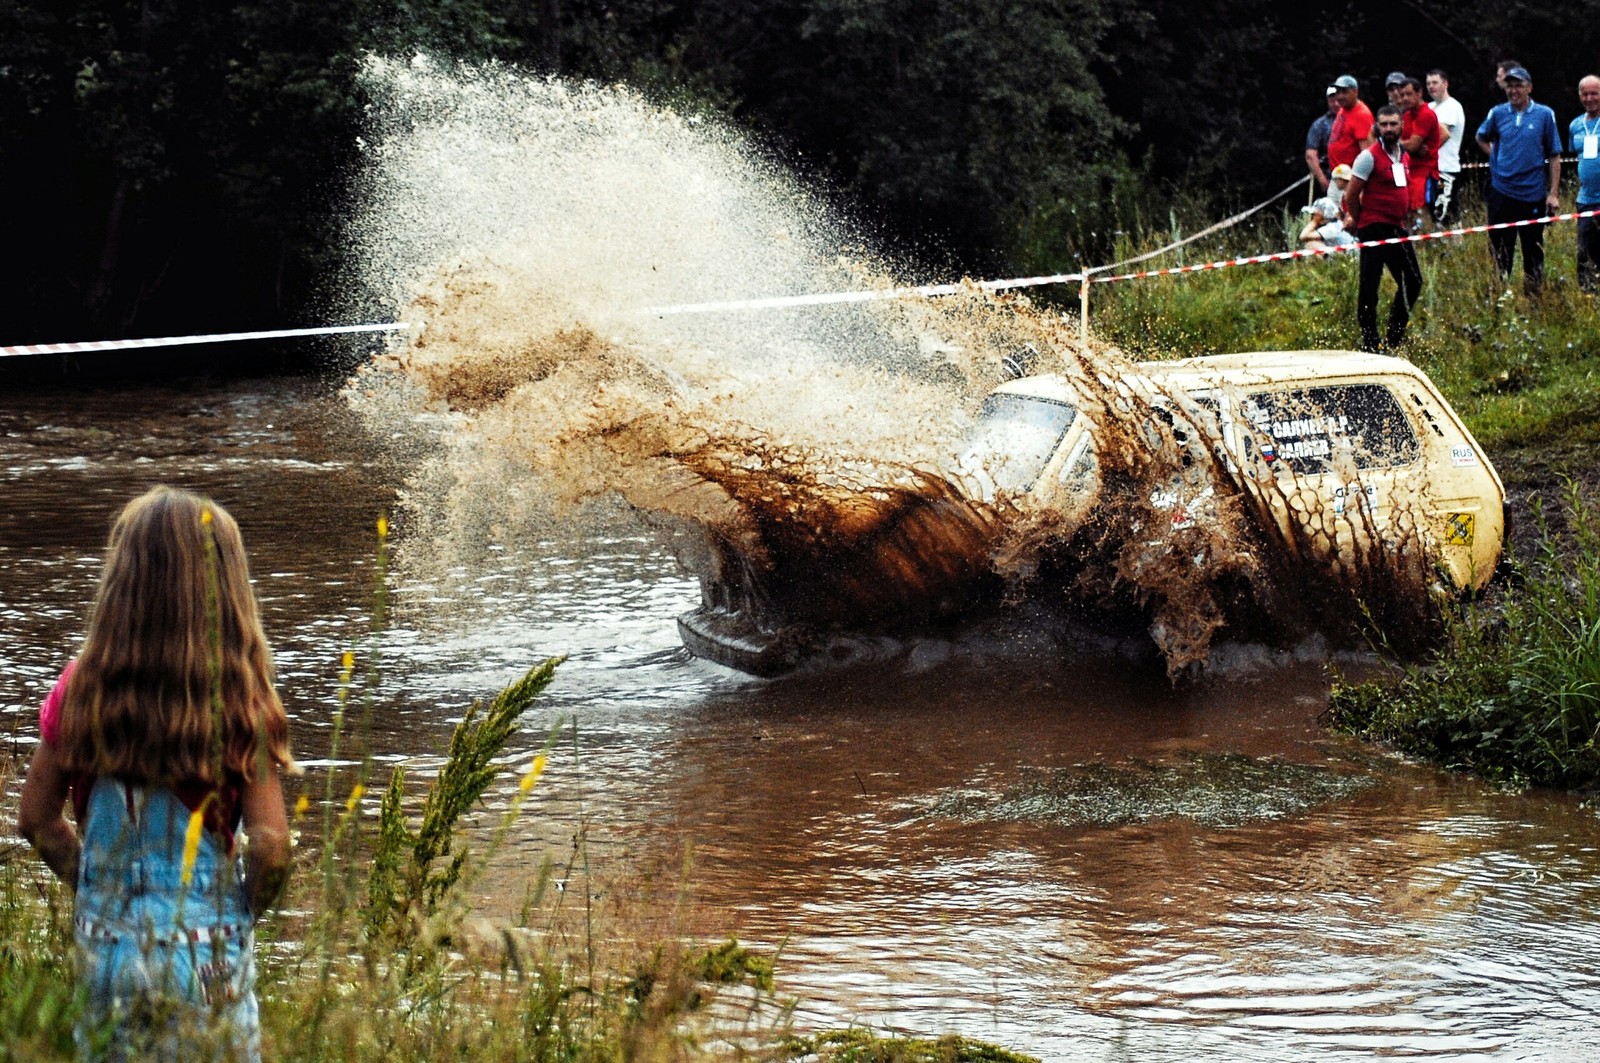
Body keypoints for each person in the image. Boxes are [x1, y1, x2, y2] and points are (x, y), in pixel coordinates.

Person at [17, 486, 295, 1061]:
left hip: (108, 950)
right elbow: (271, 847)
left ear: (122, 587)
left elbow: (36, 820)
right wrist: (240, 913)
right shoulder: (241, 700)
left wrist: (91, 887)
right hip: (206, 952)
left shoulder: (79, 691)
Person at [1475, 65, 1562, 297]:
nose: (1514, 90)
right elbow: (1481, 136)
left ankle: (1533, 300)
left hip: (1532, 192)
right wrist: (1495, 156)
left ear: (1529, 88)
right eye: (1510, 85)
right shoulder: (1498, 112)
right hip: (1501, 191)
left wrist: (1553, 193)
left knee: (1533, 249)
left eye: (1519, 85)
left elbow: (1554, 154)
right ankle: (1498, 299)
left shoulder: (1544, 114)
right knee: (1500, 250)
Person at [1343, 106, 1424, 351]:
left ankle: (1394, 338)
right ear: (1377, 127)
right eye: (1384, 124)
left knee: (1413, 281)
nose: (1388, 129)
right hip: (1374, 227)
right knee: (1370, 284)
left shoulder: (1403, 156)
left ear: (1401, 126)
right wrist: (1359, 223)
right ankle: (1370, 342)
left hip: (1396, 227)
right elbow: (1351, 194)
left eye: (1393, 124)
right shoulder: (1369, 157)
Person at [1399, 77, 1442, 231]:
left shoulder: (1426, 114)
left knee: (1422, 214)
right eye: (1402, 95)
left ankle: (1428, 248)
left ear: (1419, 93)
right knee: (1409, 213)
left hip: (1425, 173)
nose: (1405, 98)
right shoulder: (1406, 116)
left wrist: (1403, 144)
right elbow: (1405, 144)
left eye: (1409, 94)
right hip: (1410, 172)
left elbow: (1412, 145)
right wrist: (1406, 144)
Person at [1427, 68, 1467, 226]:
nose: (1431, 86)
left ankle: (1456, 248)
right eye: (1428, 83)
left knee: (1446, 212)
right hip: (1431, 169)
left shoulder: (1452, 106)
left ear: (1445, 84)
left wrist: (1421, 150)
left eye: (1435, 82)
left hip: (1446, 169)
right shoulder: (1430, 107)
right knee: (1432, 213)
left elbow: (1441, 135)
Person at [1572, 75, 1600, 292]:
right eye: (1585, 94)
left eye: (1594, 93)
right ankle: (1587, 296)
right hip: (1586, 200)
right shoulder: (1575, 125)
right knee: (1585, 253)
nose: (1589, 98)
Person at [1300, 164, 1356, 249]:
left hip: (1351, 255)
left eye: (1315, 215)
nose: (1312, 217)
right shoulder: (1338, 196)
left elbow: (1303, 236)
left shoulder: (1332, 228)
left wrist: (1315, 221)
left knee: (1311, 244)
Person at [1328, 75, 1376, 171]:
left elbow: (1367, 154)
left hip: (1350, 177)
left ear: (1355, 92)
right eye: (1338, 92)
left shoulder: (1362, 115)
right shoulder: (1344, 108)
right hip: (1338, 174)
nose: (1340, 96)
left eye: (1345, 92)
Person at [1306, 86, 1339, 192]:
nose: (1336, 104)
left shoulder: (1357, 119)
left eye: (1338, 100)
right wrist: (1321, 179)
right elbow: (1311, 155)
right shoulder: (1319, 125)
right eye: (1332, 101)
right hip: (1330, 177)